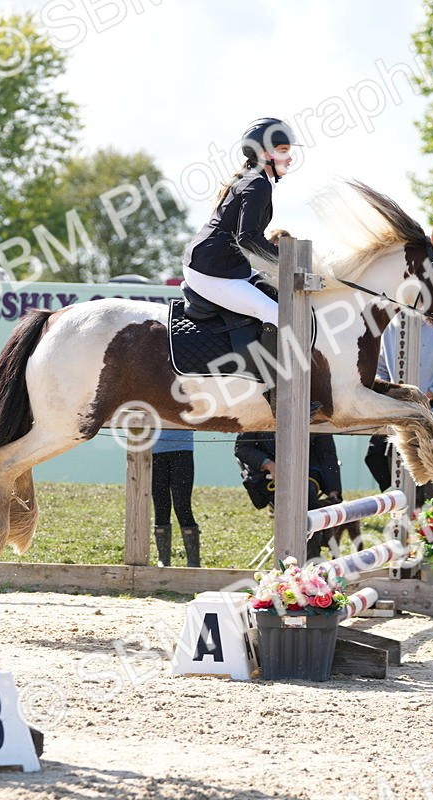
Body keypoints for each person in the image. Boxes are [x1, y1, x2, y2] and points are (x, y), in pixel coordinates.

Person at [182, 118, 317, 418]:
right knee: (277, 315)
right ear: (266, 153)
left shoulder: (256, 179)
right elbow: (249, 238)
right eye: (283, 150)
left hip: (223, 265)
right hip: (211, 271)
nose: (290, 156)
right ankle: (278, 393)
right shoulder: (257, 185)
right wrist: (288, 262)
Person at [365, 316, 433, 503]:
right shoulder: (391, 325)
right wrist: (389, 392)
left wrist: (431, 393)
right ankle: (401, 507)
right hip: (399, 409)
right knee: (375, 456)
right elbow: (380, 369)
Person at [235, 431, 357, 559]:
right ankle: (312, 555)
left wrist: (333, 490)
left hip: (307, 478)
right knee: (305, 497)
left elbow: (327, 454)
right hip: (269, 479)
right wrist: (269, 465)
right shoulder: (257, 414)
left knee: (305, 494)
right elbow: (242, 448)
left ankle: (312, 551)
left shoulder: (317, 415)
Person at [151, 428, 201, 567]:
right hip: (154, 451)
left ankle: (193, 562)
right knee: (161, 505)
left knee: (182, 505)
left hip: (182, 449)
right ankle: (163, 559)